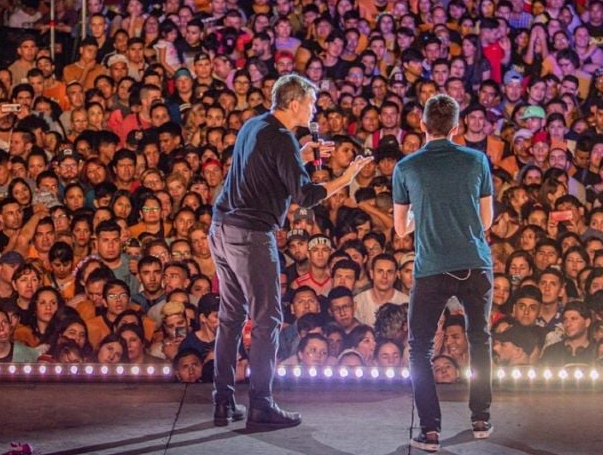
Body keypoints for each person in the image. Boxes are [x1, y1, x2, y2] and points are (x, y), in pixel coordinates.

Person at [209, 73, 371, 428]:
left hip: (222, 228)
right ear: (294, 103)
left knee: (231, 316)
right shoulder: (282, 140)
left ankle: (223, 401)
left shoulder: (255, 126)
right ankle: (261, 405)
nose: (314, 109)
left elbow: (266, 167)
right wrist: (346, 177)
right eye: (311, 103)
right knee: (268, 319)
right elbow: (306, 197)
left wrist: (300, 154)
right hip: (250, 234)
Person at [393, 94, 495, 452]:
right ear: (456, 127)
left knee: (419, 347)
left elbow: (401, 229)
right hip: (474, 262)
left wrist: (427, 210)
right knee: (480, 339)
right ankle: (480, 418)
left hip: (432, 266)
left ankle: (431, 431)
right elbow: (486, 221)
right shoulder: (477, 160)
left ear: (422, 126)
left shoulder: (406, 167)